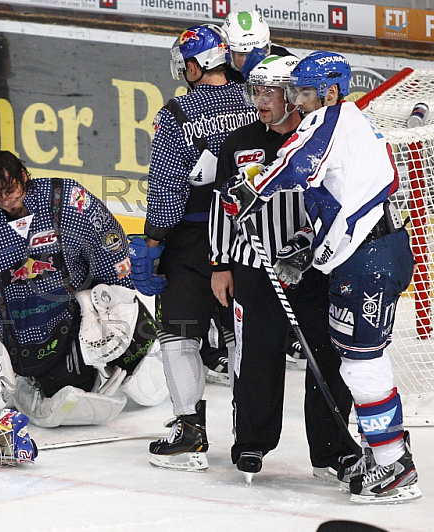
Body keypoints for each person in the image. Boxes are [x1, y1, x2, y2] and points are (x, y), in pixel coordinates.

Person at [224, 51, 421, 503]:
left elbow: (297, 163)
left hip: (370, 259)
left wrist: (250, 187)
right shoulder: (343, 121)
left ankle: (395, 466)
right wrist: (312, 250)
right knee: (357, 359)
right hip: (366, 256)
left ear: (330, 91)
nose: (297, 99)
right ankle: (386, 450)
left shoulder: (331, 120)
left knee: (361, 362)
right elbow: (336, 195)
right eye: (295, 90)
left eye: (305, 91)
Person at [210, 55, 361, 480]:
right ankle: (252, 443)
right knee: (257, 356)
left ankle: (332, 450)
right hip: (255, 267)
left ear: (293, 96)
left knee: (325, 357)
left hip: (314, 268)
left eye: (268, 92)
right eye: (255, 91)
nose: (259, 100)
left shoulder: (318, 140)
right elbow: (223, 209)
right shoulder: (237, 143)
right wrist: (222, 264)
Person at [0, 150, 168, 428]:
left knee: (151, 382)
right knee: (74, 395)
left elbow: (108, 239)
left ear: (24, 177)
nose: (6, 199)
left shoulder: (64, 197)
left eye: (10, 188)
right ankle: (35, 379)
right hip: (35, 327)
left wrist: (117, 301)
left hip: (88, 306)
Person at [129, 25, 257, 471]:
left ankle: (190, 434)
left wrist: (152, 243)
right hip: (248, 237)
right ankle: (249, 437)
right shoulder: (253, 103)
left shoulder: (177, 113)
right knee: (241, 337)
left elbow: (165, 191)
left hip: (192, 241)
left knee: (178, 333)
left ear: (195, 65)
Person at [222, 10, 290, 81]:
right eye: (242, 54)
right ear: (229, 55)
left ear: (268, 48)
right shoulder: (221, 73)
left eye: (258, 52)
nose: (252, 59)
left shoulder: (284, 58)